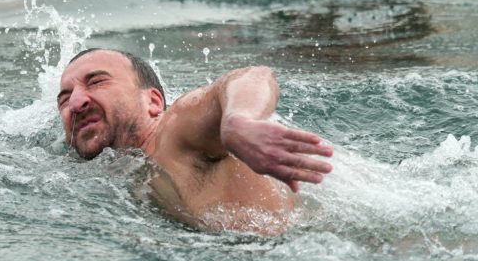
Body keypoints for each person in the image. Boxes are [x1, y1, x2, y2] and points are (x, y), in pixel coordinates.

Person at [57, 48, 333, 234]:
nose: (76, 104)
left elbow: (252, 76)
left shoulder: (175, 130)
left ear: (153, 102)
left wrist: (238, 122)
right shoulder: (115, 172)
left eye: (97, 82)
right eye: (64, 99)